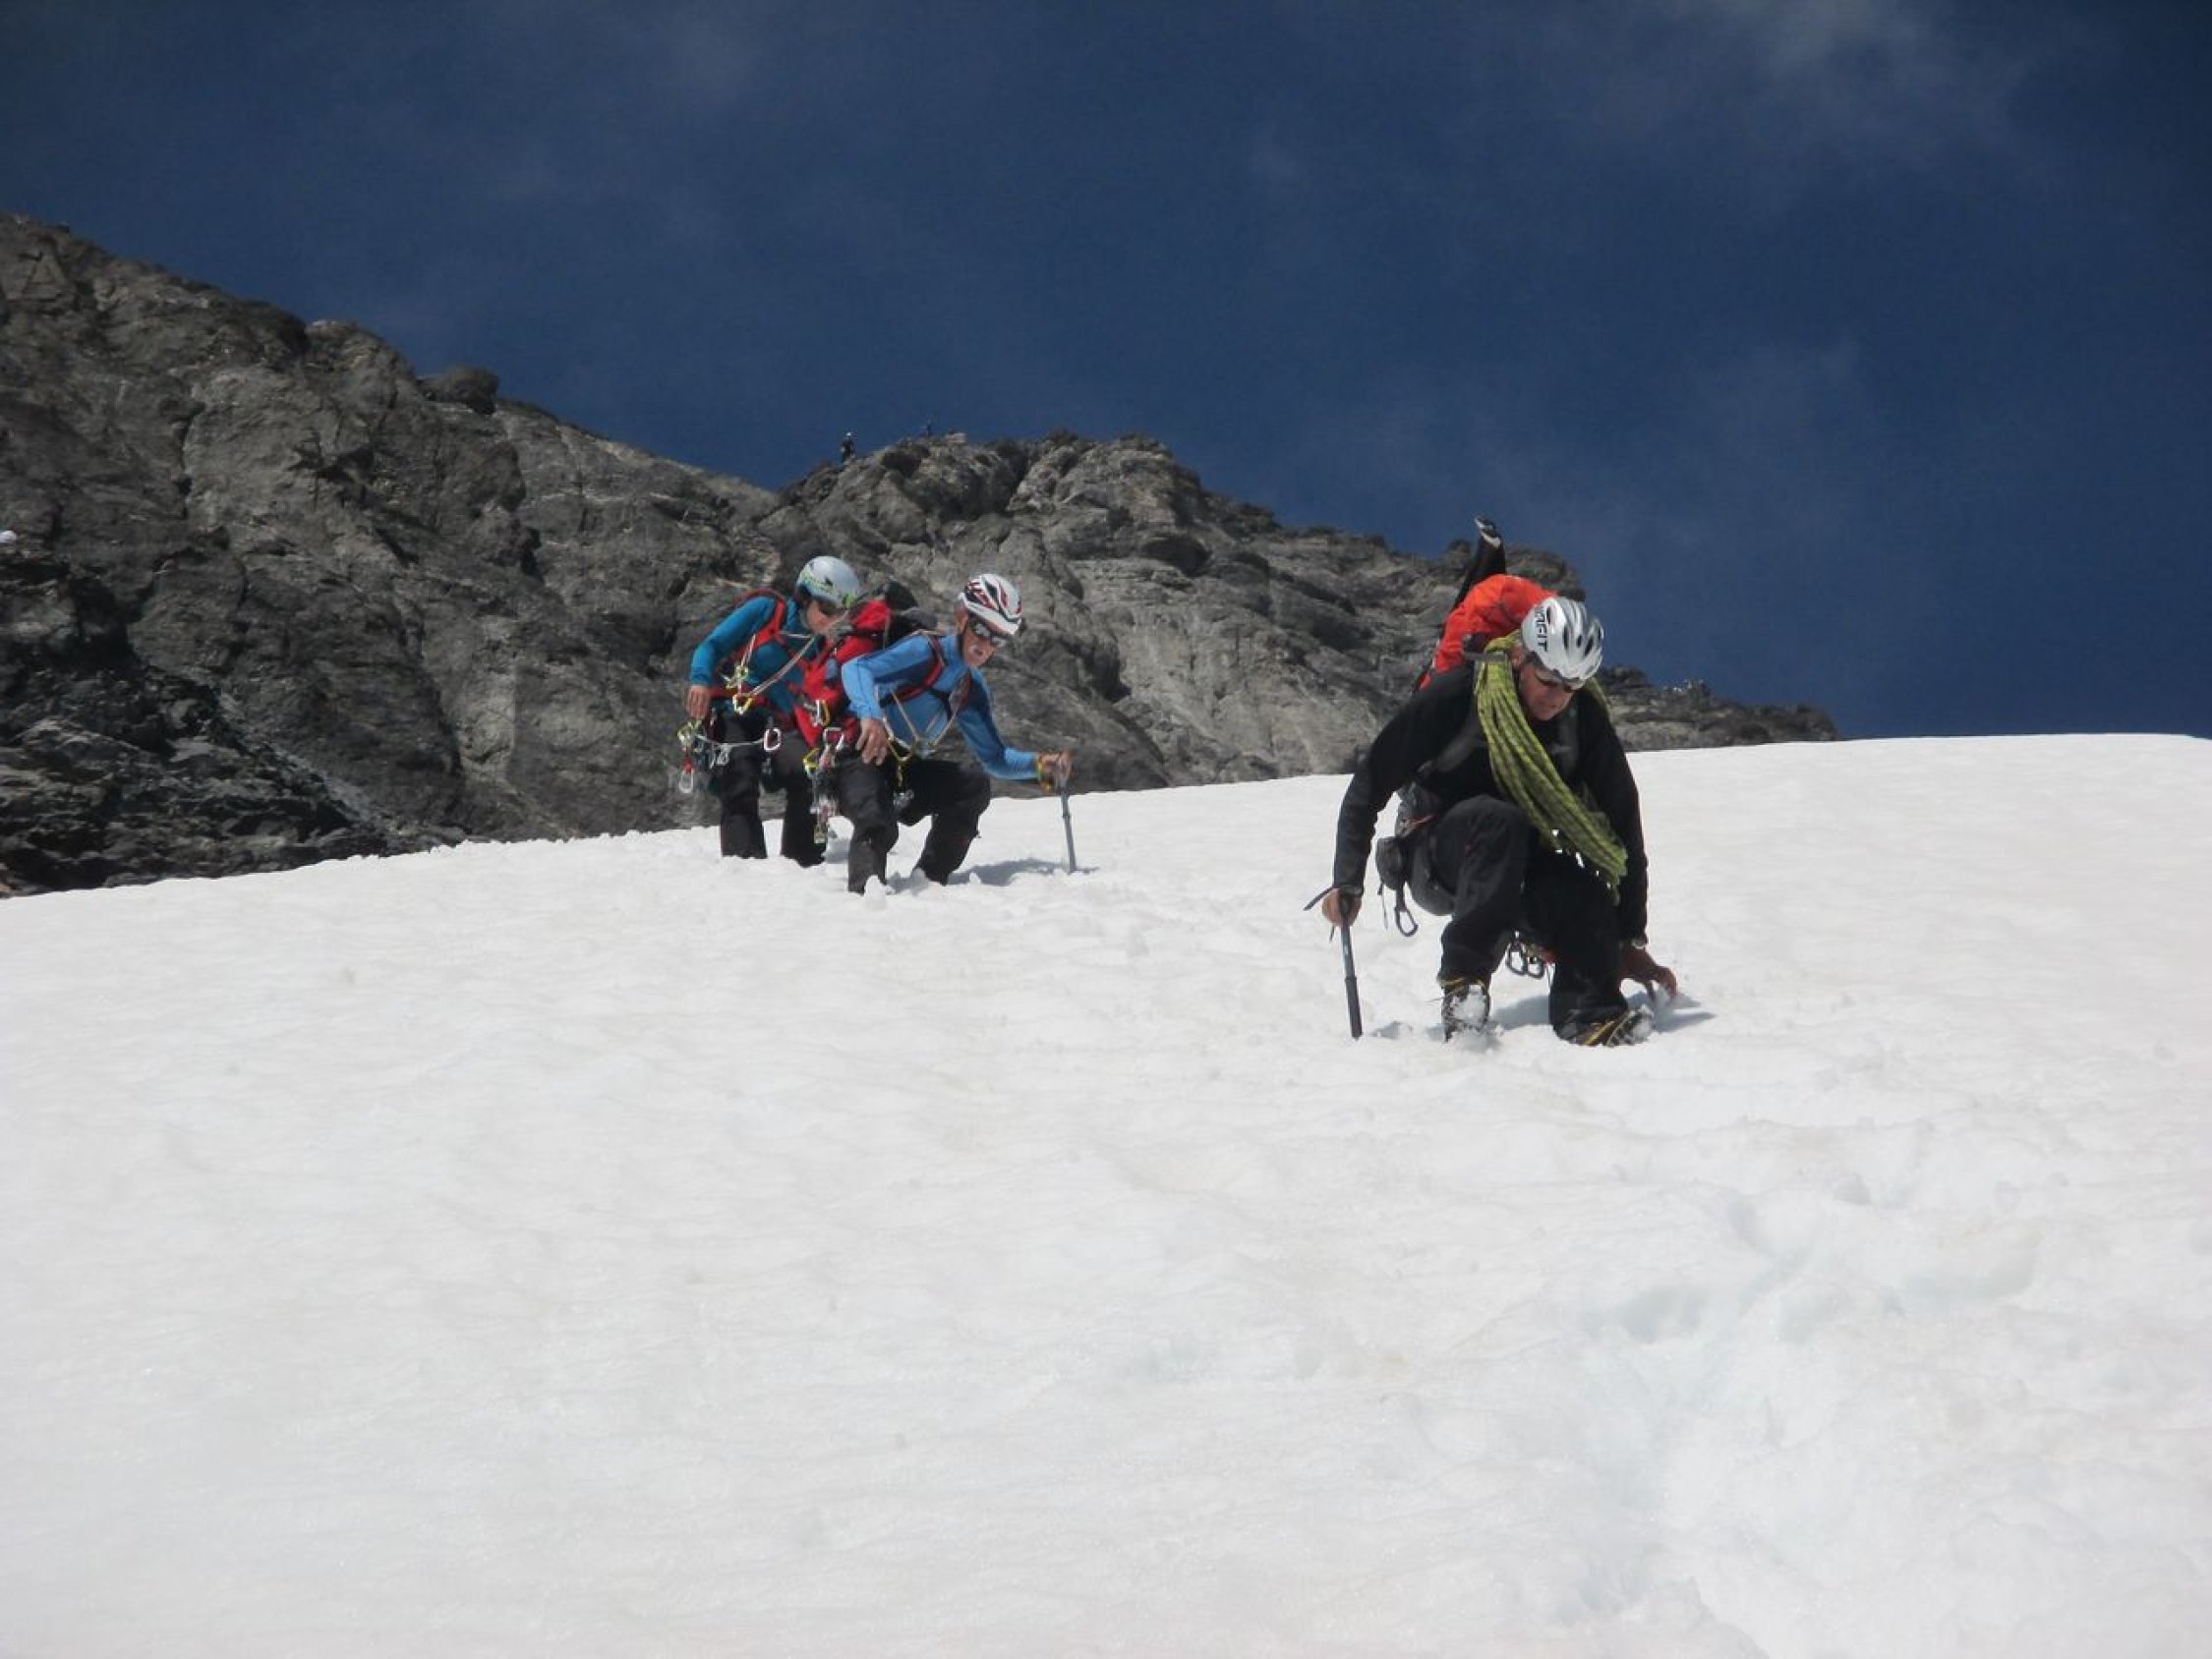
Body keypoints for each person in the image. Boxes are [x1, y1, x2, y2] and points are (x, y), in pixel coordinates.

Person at [1320, 596, 1676, 1045]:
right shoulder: (1459, 695)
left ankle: (1590, 1016)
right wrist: (1347, 880)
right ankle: (1464, 987)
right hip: (1436, 856)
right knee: (1498, 819)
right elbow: (1371, 782)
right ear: (1520, 656)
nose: (1557, 698)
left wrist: (1627, 939)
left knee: (1585, 892)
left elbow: (1624, 828)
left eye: (1571, 687)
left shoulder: (1582, 721)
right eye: (1548, 680)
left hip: (1517, 862)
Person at [832, 573, 1074, 893]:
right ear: (961, 618)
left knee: (972, 785)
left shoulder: (970, 688)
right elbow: (856, 668)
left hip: (901, 769)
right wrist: (870, 716)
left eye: (998, 639)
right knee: (877, 821)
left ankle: (929, 882)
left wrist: (1041, 766)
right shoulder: (924, 651)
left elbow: (995, 758)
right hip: (858, 755)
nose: (986, 645)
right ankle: (865, 898)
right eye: (982, 630)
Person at [683, 554, 862, 862]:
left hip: (777, 724)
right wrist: (699, 681)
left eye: (840, 613)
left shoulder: (819, 649)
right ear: (805, 596)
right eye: (826, 608)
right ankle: (744, 865)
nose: (832, 619)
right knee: (739, 776)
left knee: (808, 775)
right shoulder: (765, 611)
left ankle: (803, 863)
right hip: (733, 711)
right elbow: (712, 646)